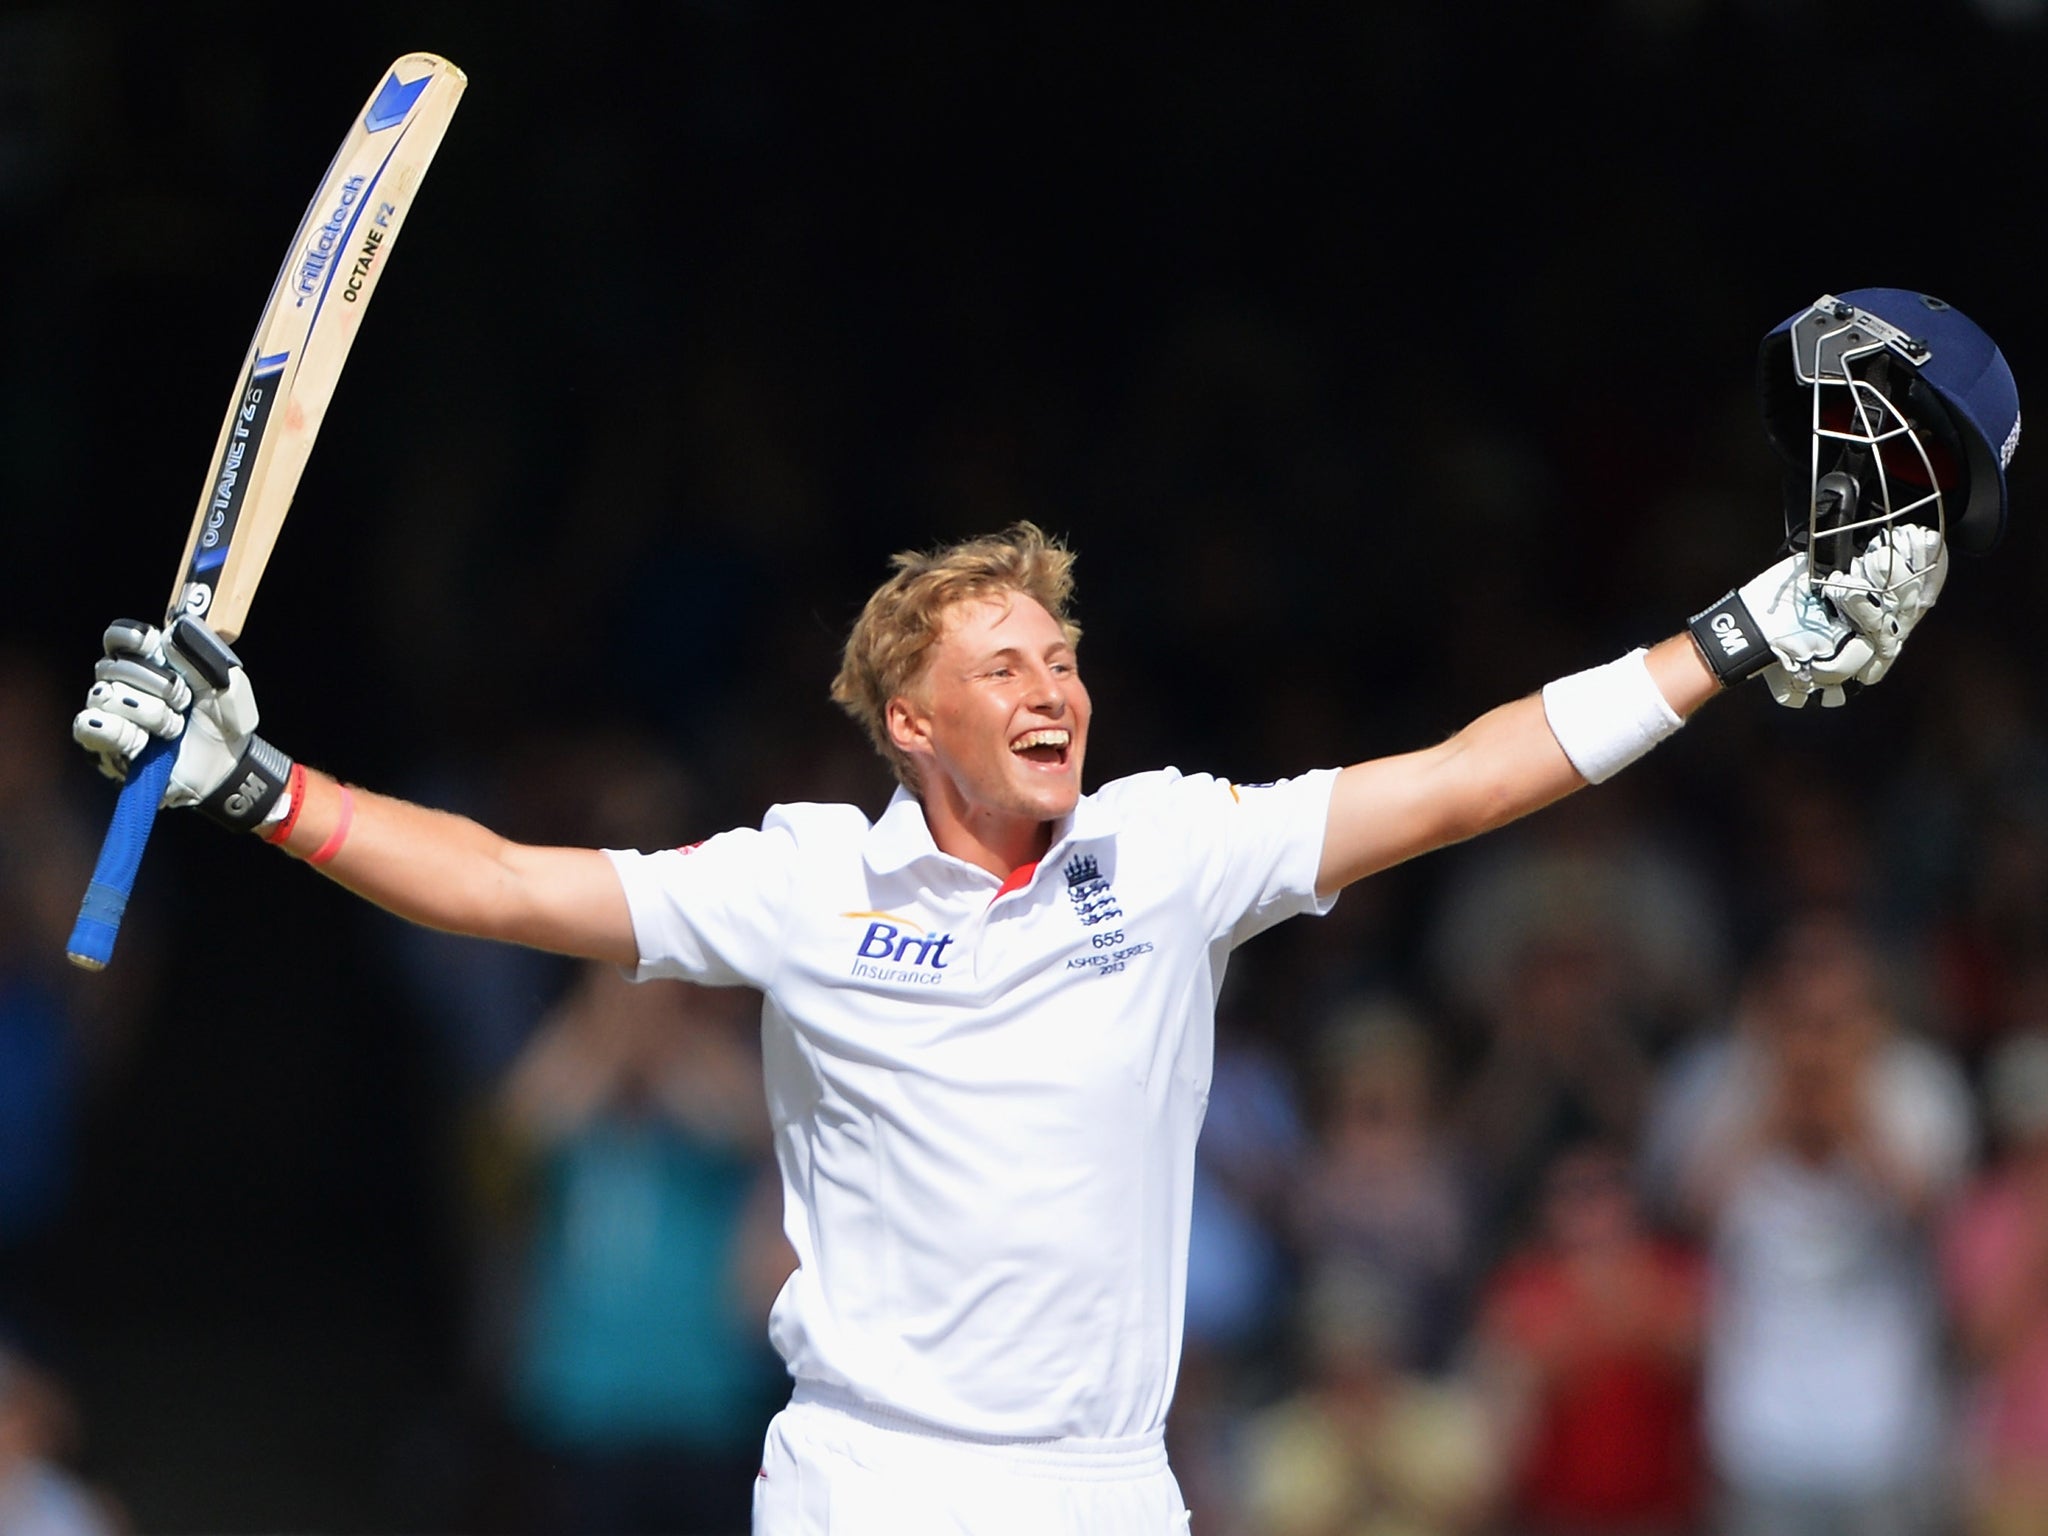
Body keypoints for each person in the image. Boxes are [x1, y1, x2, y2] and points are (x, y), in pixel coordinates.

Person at [67, 291, 2010, 1532]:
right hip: (868, 1486)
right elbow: (497, 887)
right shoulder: (804, 881)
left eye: (1062, 652)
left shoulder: (1162, 854)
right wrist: (260, 784)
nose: (1051, 680)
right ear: (910, 718)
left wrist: (1722, 643)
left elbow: (1462, 774)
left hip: (1102, 1493)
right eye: (1002, 660)